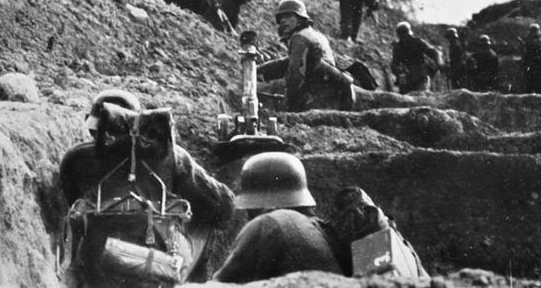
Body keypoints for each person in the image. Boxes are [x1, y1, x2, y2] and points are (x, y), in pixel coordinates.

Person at [59, 90, 236, 286]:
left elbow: (70, 197)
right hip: (154, 263)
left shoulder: (76, 158)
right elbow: (223, 205)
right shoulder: (172, 157)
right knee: (205, 219)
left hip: (94, 263)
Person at [212, 152, 345, 283]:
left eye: (249, 208)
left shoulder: (267, 224)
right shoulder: (316, 227)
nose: (248, 215)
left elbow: (222, 284)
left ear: (258, 204)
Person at [257, 0, 357, 111]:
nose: (283, 21)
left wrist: (288, 108)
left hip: (324, 98)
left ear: (300, 20)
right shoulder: (312, 34)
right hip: (332, 92)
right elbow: (290, 63)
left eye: (289, 16)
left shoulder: (300, 39)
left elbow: (295, 75)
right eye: (281, 18)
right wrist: (261, 70)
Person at [390, 21, 441, 94]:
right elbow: (394, 64)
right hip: (406, 75)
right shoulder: (398, 47)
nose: (403, 36)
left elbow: (434, 53)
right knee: (405, 97)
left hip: (419, 74)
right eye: (401, 33)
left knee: (421, 95)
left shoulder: (418, 42)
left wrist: (438, 63)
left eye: (404, 32)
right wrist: (399, 71)